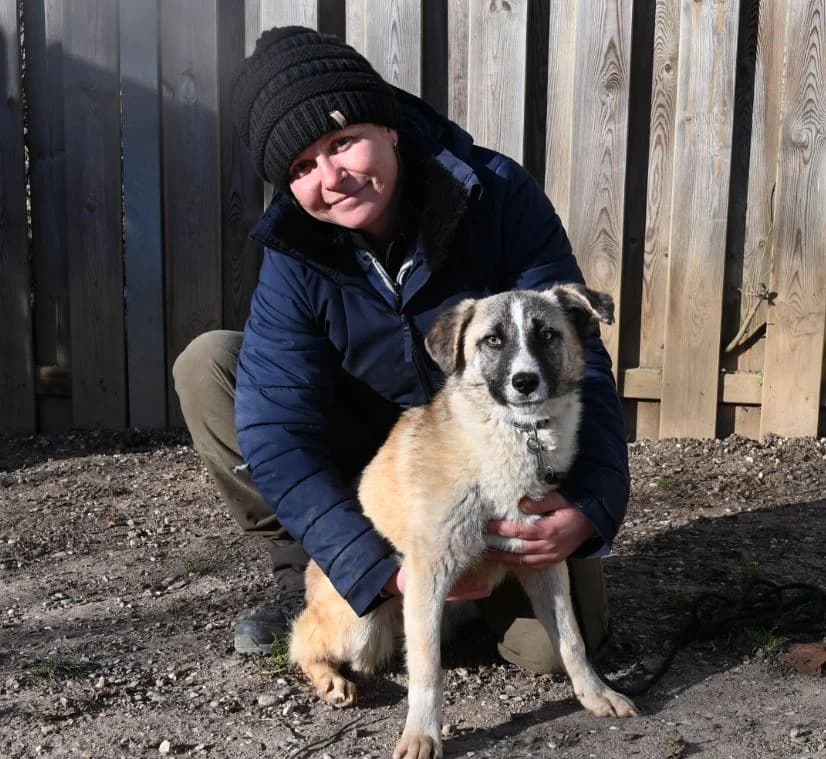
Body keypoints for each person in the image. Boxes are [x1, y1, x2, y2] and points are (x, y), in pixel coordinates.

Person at [173, 25, 629, 674]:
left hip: (489, 467)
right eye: (302, 167)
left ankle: (459, 602)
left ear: (387, 126)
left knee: (548, 656)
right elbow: (277, 434)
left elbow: (578, 361)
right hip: (376, 470)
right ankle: (316, 574)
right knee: (209, 365)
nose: (330, 177)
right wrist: (379, 570)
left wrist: (589, 506)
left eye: (341, 141)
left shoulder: (496, 196)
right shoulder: (293, 253)